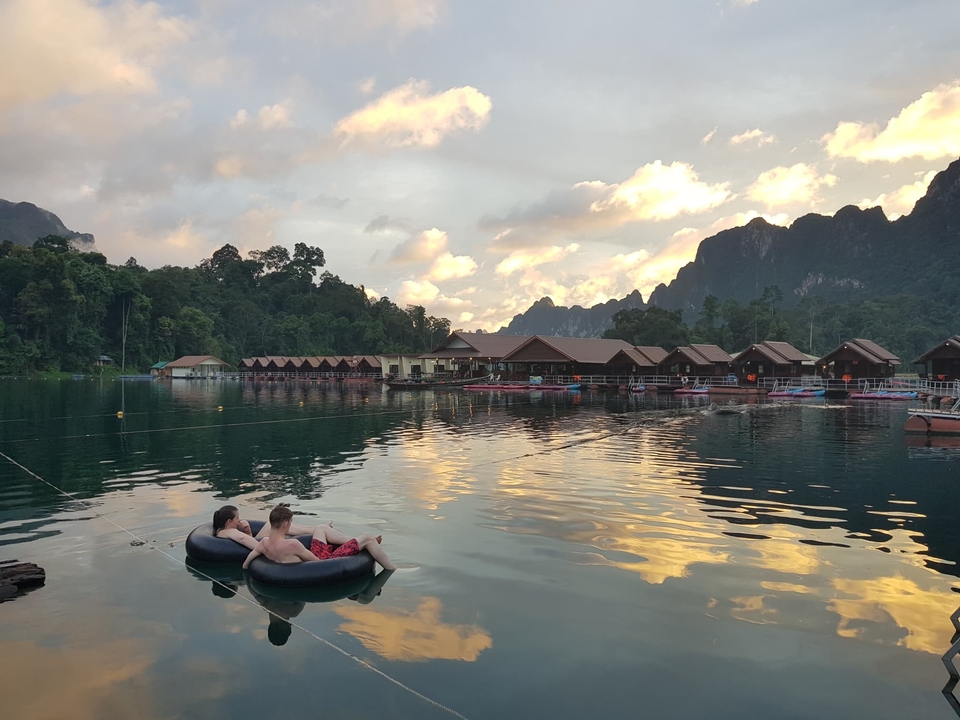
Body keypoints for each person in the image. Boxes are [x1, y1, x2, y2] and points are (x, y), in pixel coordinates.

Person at [242, 504, 395, 571]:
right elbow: (318, 563)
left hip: (316, 557)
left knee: (321, 528)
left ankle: (355, 541)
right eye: (291, 523)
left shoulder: (263, 543)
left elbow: (250, 557)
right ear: (286, 524)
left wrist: (245, 567)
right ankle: (391, 568)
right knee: (368, 537)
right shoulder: (292, 545)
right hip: (325, 561)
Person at [212, 505, 316, 551]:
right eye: (237, 518)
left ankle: (313, 529)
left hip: (254, 543)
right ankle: (314, 531)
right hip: (260, 545)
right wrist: (267, 549)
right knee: (274, 526)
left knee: (271, 525)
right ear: (229, 521)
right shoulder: (230, 531)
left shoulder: (221, 531)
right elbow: (242, 539)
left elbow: (244, 539)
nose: (239, 521)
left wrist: (247, 530)